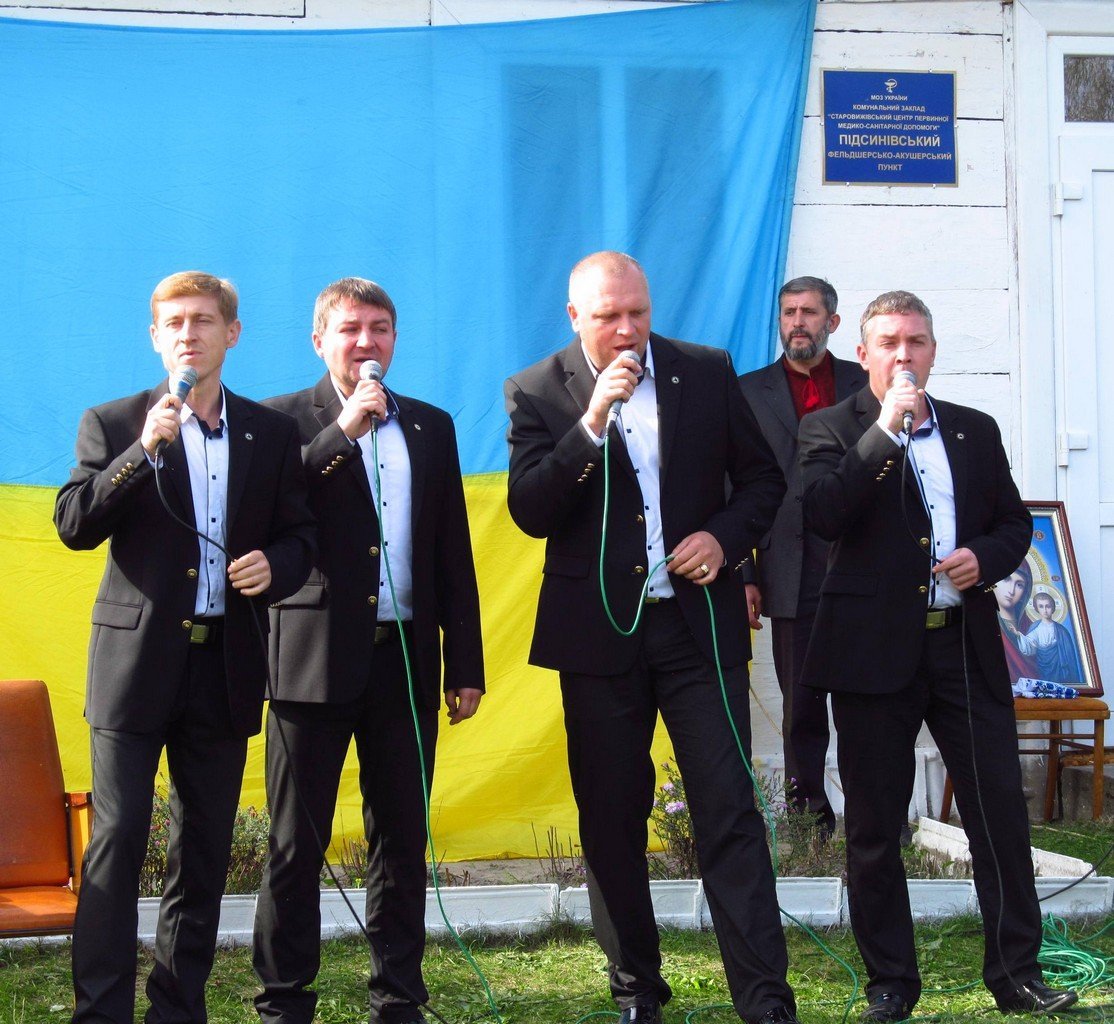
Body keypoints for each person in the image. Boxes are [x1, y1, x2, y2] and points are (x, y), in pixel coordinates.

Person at [504, 251, 797, 1024]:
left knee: (729, 810)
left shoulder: (705, 370)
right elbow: (531, 509)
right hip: (599, 636)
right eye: (610, 317)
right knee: (611, 817)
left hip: (697, 630)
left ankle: (765, 1000)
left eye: (638, 312)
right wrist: (591, 423)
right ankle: (637, 988)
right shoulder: (537, 390)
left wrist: (724, 539)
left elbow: (763, 481)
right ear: (576, 317)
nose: (628, 330)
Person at [797, 290, 1078, 1022]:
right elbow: (822, 514)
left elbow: (1013, 523)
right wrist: (885, 432)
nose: (904, 355)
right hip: (871, 656)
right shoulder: (829, 428)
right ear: (862, 353)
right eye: (889, 342)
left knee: (999, 817)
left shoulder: (974, 430)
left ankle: (1017, 975)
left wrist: (984, 557)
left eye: (916, 342)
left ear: (932, 350)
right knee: (873, 828)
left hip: (962, 646)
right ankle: (891, 983)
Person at [54, 271, 315, 1024]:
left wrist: (277, 567)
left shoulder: (270, 432)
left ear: (231, 334)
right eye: (173, 322)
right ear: (155, 337)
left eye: (203, 320)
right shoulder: (113, 422)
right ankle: (101, 1011)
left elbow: (300, 536)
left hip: (224, 665)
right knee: (118, 838)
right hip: (134, 670)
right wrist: (141, 453)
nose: (188, 334)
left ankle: (177, 1007)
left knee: (202, 848)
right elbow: (74, 524)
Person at [253, 277, 485, 1024]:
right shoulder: (279, 421)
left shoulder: (431, 426)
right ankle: (284, 999)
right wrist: (344, 432)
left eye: (379, 328)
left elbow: (452, 549)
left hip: (405, 660)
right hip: (310, 660)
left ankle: (398, 997)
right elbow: (268, 509)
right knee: (297, 841)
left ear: (394, 338)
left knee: (402, 840)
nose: (366, 342)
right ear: (319, 339)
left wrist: (465, 662)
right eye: (350, 329)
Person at [738, 276, 865, 836]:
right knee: (802, 705)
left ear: (831, 322)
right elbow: (732, 484)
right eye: (788, 312)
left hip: (862, 562)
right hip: (788, 567)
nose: (797, 322)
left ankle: (874, 815)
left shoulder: (866, 381)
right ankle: (807, 821)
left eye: (808, 312)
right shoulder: (748, 391)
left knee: (867, 701)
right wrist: (744, 573)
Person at [1016, 591, 1084, 685]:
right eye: (1041, 606)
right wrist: (1018, 635)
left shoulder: (1062, 631)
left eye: (1048, 606)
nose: (1045, 610)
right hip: (1042, 669)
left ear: (1053, 608)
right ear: (1036, 608)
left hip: (1060, 670)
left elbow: (1070, 658)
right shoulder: (1035, 628)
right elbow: (1029, 646)